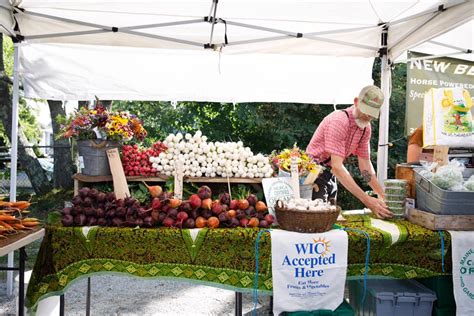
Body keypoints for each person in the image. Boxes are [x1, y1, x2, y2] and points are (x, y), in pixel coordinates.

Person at [306, 85, 392, 219]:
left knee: (331, 217)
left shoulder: (365, 129)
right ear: (356, 102)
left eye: (372, 114)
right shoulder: (339, 121)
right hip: (313, 173)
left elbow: (365, 167)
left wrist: (383, 196)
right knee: (318, 220)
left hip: (330, 173)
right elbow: (337, 167)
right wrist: (367, 200)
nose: (368, 117)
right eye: (366, 111)